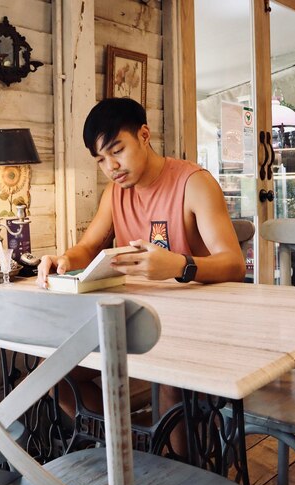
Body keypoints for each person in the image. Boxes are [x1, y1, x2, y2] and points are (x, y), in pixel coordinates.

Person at [36, 97, 245, 452]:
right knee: (51, 372)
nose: (111, 166)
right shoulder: (114, 193)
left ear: (144, 135)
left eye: (117, 150)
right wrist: (63, 259)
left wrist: (179, 265)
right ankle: (130, 448)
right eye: (101, 159)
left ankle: (181, 472)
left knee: (169, 378)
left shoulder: (193, 182)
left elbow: (234, 264)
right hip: (135, 322)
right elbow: (88, 247)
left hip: (197, 326)